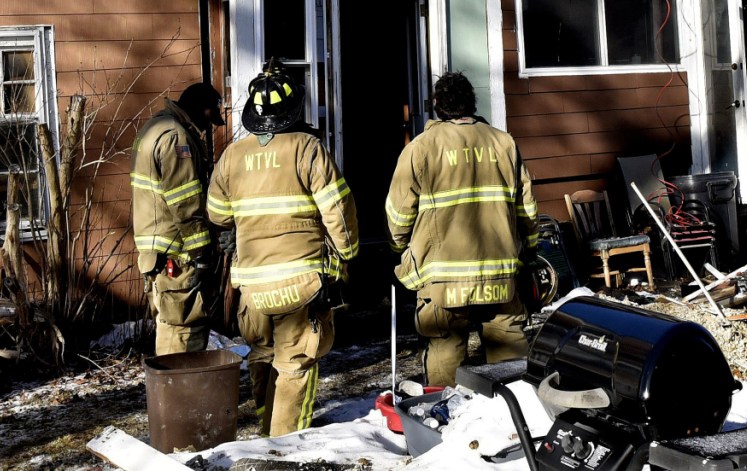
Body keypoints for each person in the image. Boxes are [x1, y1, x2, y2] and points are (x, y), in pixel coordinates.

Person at [207, 59, 358, 435]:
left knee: (262, 355)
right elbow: (338, 211)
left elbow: (217, 214)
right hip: (301, 284)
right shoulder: (308, 149)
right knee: (296, 364)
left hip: (252, 288)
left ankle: (266, 433)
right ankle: (283, 445)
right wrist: (348, 254)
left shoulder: (232, 156)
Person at [386, 71, 539, 386]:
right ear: (472, 103)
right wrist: (530, 249)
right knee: (509, 355)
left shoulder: (420, 148)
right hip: (501, 275)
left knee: (444, 352)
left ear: (437, 105)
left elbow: (398, 213)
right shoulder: (504, 143)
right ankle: (516, 420)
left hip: (443, 279)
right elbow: (527, 208)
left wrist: (398, 248)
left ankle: (446, 418)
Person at [130, 81, 224, 355]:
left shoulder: (153, 127)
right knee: (184, 327)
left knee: (169, 323)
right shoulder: (176, 137)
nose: (208, 130)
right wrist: (202, 252)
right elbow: (186, 201)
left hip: (156, 249)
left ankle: (173, 392)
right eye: (209, 122)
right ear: (203, 111)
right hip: (177, 252)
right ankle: (182, 392)